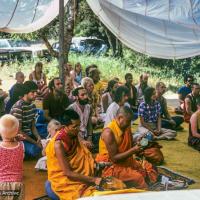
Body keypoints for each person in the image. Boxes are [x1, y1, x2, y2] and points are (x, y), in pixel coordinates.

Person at [96, 106, 158, 189]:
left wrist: (137, 141)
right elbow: (114, 158)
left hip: (126, 161)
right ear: (120, 118)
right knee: (138, 178)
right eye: (128, 122)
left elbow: (128, 144)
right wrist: (134, 150)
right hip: (110, 165)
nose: (129, 124)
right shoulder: (109, 133)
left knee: (146, 170)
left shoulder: (126, 127)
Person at [45, 109, 102, 199]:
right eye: (75, 126)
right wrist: (93, 180)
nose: (78, 129)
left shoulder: (74, 134)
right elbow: (67, 173)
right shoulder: (58, 144)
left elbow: (82, 154)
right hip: (63, 178)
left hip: (76, 172)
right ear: (65, 127)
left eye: (79, 125)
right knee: (84, 194)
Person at [10, 81, 42, 158]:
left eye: (36, 92)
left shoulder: (32, 106)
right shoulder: (18, 107)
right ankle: (18, 151)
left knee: (45, 143)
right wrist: (35, 142)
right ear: (25, 93)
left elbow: (33, 126)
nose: (35, 94)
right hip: (18, 138)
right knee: (36, 151)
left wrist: (38, 137)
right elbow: (19, 131)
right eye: (32, 92)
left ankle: (24, 152)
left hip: (28, 135)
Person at [0, 114, 24, 200]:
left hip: (1, 186)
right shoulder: (21, 146)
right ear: (17, 131)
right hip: (17, 184)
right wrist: (16, 139)